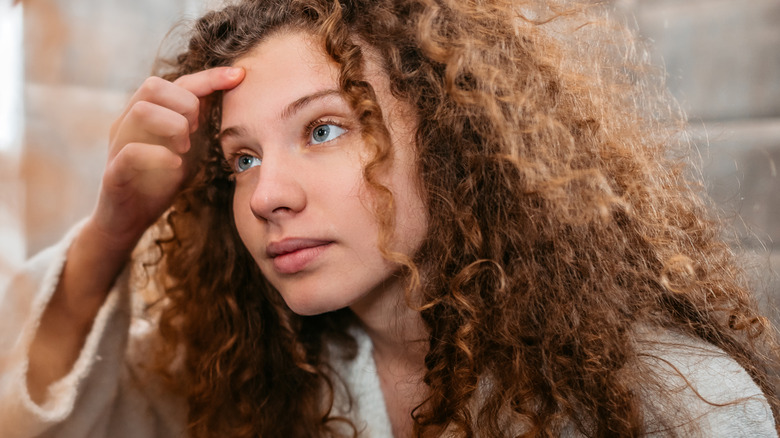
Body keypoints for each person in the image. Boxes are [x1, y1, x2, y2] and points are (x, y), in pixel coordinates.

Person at [1, 0, 778, 436]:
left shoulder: (677, 400)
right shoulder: (252, 382)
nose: (268, 194)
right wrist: (116, 225)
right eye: (240, 159)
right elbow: (53, 422)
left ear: (451, 138)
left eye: (324, 129)